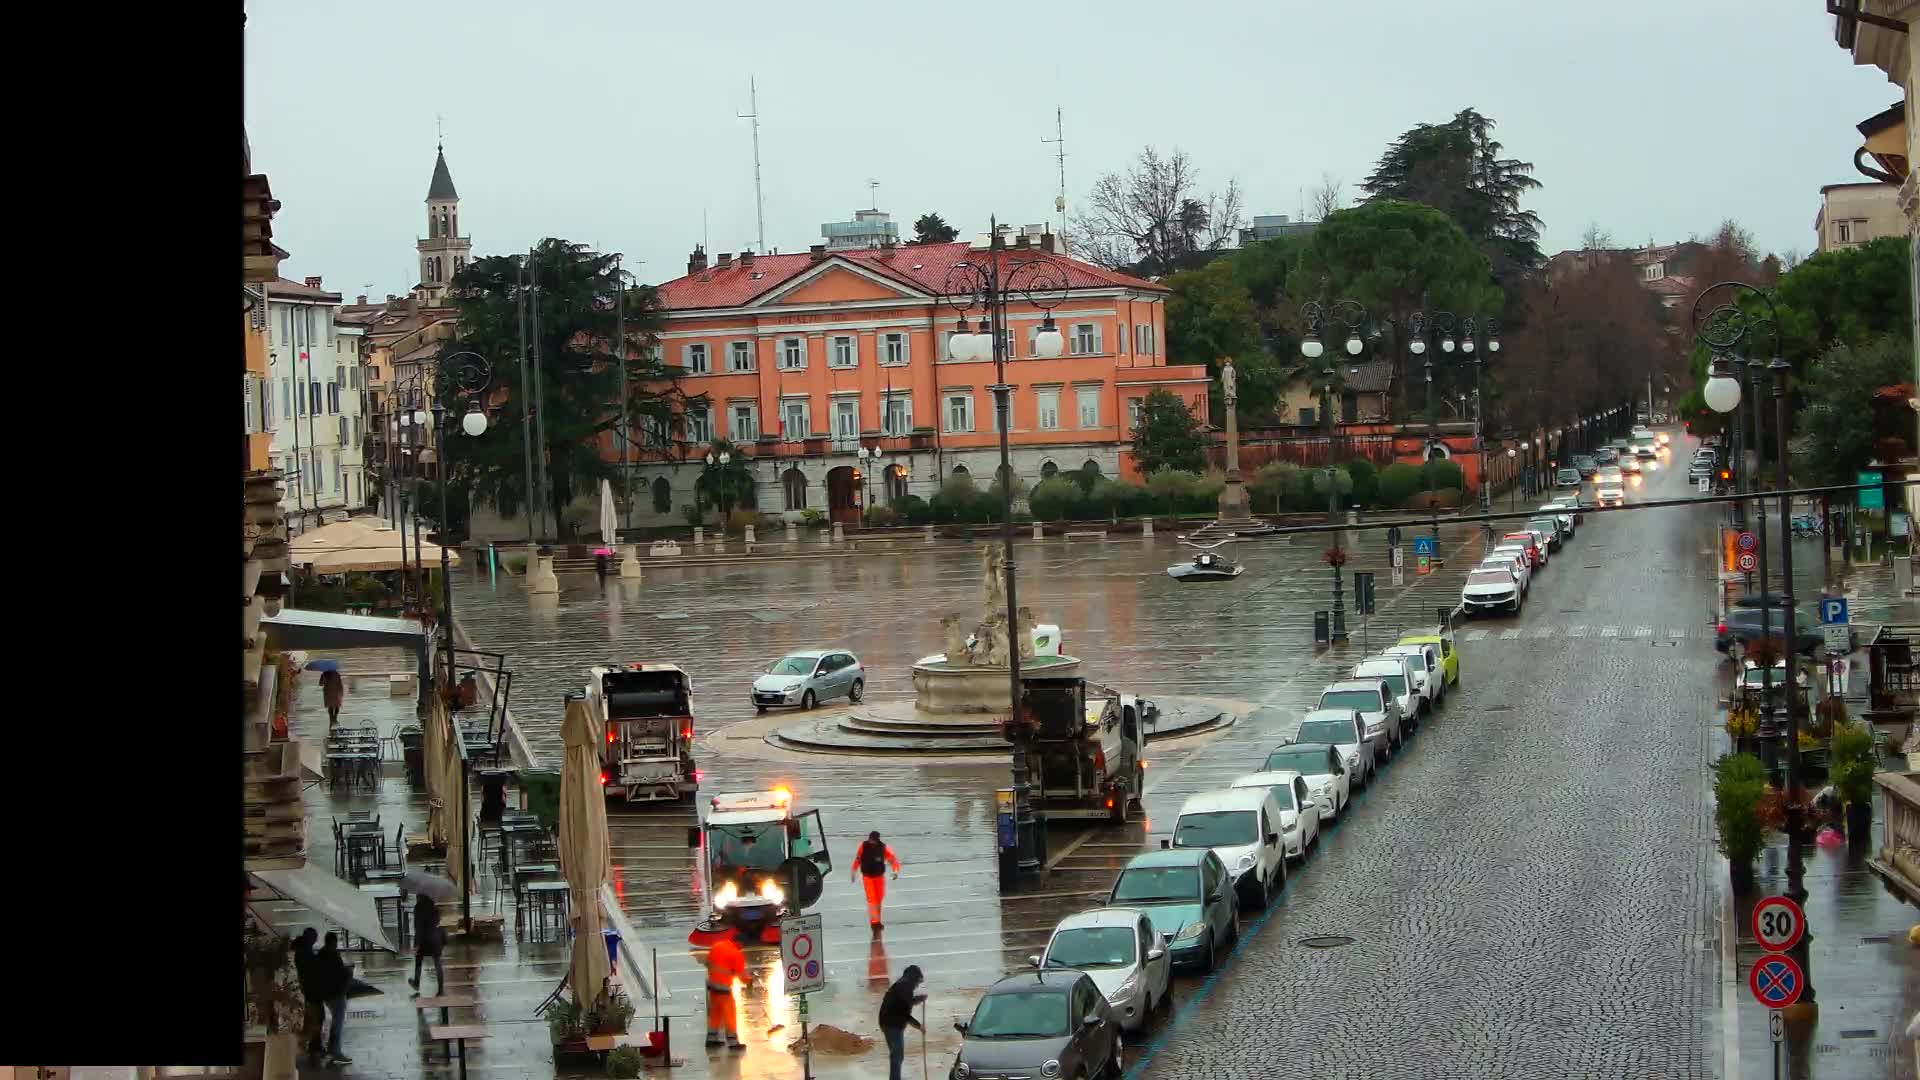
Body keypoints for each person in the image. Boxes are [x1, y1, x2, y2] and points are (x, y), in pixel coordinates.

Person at [704, 926, 752, 1050]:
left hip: (712, 985)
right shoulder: (736, 953)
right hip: (723, 988)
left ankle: (711, 1039)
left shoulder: (718, 946)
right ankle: (733, 1042)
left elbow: (708, 963)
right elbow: (742, 976)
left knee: (715, 1013)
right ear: (740, 943)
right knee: (730, 1014)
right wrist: (749, 980)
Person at [310, 931, 353, 1066]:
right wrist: (348, 971)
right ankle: (335, 1051)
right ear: (334, 942)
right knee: (337, 1023)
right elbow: (338, 975)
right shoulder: (333, 956)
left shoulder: (321, 955)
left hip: (327, 994)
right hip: (336, 994)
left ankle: (333, 1050)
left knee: (336, 1021)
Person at [877, 965, 926, 1080]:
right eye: (917, 981)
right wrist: (919, 1026)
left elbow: (905, 1003)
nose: (917, 985)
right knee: (897, 1054)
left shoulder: (901, 985)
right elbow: (904, 1013)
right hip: (892, 1023)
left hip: (886, 1021)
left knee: (896, 1054)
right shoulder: (906, 988)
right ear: (913, 978)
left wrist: (918, 999)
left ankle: (895, 1077)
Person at [852, 831, 901, 932]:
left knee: (879, 899)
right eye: (870, 839)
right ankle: (875, 923)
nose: (871, 841)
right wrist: (854, 870)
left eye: (873, 840)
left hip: (879, 877)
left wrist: (895, 871)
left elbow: (893, 859)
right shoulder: (863, 846)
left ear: (877, 840)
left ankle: (877, 920)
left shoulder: (883, 848)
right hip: (867, 877)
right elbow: (858, 859)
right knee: (872, 899)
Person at [290, 928, 325, 1064]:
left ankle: (315, 1045)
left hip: (310, 990)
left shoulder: (303, 950)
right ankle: (314, 1046)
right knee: (316, 1017)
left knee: (316, 1017)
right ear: (310, 938)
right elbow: (311, 971)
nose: (315, 940)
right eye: (314, 937)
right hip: (312, 991)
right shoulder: (304, 952)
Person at [408, 893, 445, 996]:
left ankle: (416, 983)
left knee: (418, 962)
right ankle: (441, 989)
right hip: (435, 938)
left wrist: (417, 944)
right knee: (437, 963)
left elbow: (418, 926)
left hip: (423, 939)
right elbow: (438, 921)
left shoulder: (418, 908)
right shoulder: (434, 907)